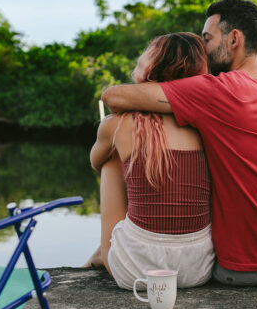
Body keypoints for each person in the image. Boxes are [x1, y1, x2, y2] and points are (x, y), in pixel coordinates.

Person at [101, 0, 257, 286]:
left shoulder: (215, 91)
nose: (202, 48)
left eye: (207, 38)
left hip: (238, 272)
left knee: (114, 159)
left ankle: (109, 250)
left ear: (234, 38)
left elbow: (114, 96)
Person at [89, 32, 215, 290]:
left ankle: (106, 250)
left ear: (150, 65)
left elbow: (94, 162)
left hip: (135, 271)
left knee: (111, 159)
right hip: (199, 268)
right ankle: (104, 252)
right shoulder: (208, 124)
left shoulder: (118, 124)